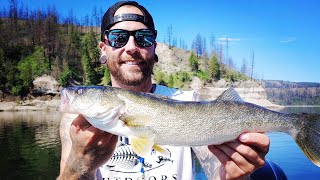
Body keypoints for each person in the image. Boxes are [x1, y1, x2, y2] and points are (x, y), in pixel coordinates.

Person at [58, 1, 271, 180]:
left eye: (143, 37)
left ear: (154, 47)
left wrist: (234, 175)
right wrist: (78, 166)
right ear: (103, 48)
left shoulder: (191, 100)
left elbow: (217, 171)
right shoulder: (75, 123)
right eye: (118, 38)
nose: (131, 47)